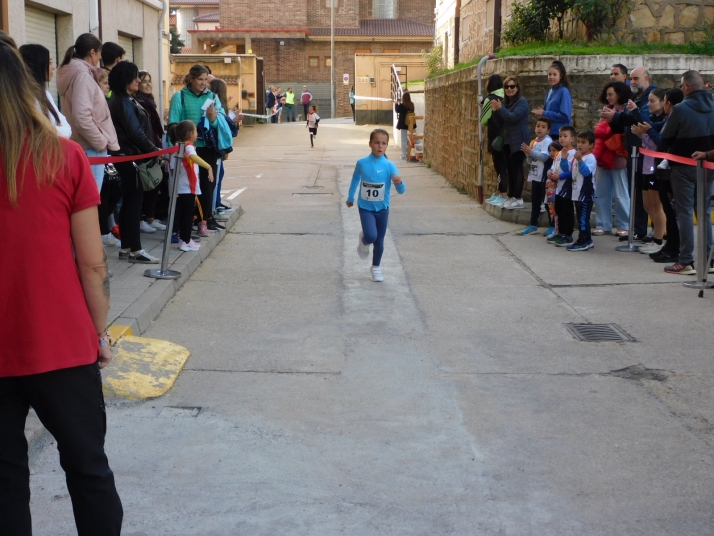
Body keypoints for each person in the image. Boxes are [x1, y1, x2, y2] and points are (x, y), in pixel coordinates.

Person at [0, 31, 123, 534]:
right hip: (63, 342)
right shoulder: (65, 157)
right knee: (88, 470)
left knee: (5, 481)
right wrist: (101, 333)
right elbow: (93, 265)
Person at [659, 70, 714, 275]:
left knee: (684, 212)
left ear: (687, 87)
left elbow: (666, 137)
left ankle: (685, 260)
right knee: (705, 213)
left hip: (683, 166)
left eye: (683, 85)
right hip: (709, 166)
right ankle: (710, 259)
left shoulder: (681, 109)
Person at [108, 61, 160, 263]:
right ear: (125, 78)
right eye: (135, 76)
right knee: (133, 203)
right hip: (130, 157)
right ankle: (136, 250)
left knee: (130, 202)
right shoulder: (122, 101)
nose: (139, 80)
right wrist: (154, 150)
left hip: (130, 156)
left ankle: (127, 247)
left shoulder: (124, 99)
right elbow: (135, 132)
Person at [168, 64, 228, 234]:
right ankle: (187, 223)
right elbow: (173, 122)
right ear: (191, 79)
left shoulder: (213, 97)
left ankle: (205, 220)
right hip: (187, 149)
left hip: (208, 147)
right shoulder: (180, 97)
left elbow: (221, 124)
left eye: (205, 79)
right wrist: (182, 140)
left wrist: (212, 118)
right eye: (200, 79)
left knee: (209, 185)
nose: (203, 83)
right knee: (188, 188)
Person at [57, 33, 120, 195]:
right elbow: (82, 116)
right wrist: (100, 142)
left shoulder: (78, 74)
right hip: (91, 147)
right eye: (99, 54)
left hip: (86, 145)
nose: (100, 58)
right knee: (90, 199)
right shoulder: (83, 76)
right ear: (92, 52)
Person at [601, 66, 655, 242]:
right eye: (631, 79)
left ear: (646, 79)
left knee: (650, 194)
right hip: (632, 151)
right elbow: (624, 123)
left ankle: (657, 233)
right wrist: (612, 119)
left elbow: (643, 121)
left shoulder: (651, 98)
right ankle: (639, 230)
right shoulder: (633, 98)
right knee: (636, 192)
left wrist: (620, 117)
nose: (632, 82)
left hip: (647, 152)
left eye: (636, 79)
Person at [346, 129, 406, 282]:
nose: (380, 146)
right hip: (365, 207)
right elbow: (355, 179)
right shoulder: (362, 163)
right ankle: (364, 240)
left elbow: (401, 190)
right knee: (371, 236)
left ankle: (376, 268)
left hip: (382, 209)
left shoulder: (389, 165)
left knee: (379, 241)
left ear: (386, 146)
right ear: (370, 144)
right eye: (377, 142)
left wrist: (399, 183)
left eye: (384, 143)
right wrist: (350, 197)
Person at [643, 88, 684, 264]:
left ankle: (673, 247)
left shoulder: (677, 117)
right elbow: (656, 131)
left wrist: (647, 131)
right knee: (665, 208)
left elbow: (661, 141)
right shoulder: (667, 119)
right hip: (663, 169)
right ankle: (669, 246)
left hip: (673, 169)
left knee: (673, 211)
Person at [630, 88, 667, 252]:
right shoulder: (652, 119)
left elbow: (656, 143)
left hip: (656, 166)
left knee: (656, 204)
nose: (649, 104)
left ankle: (659, 239)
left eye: (653, 101)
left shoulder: (664, 121)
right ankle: (657, 234)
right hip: (646, 165)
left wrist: (643, 135)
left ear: (663, 102)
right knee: (647, 204)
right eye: (649, 101)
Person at [592, 81, 632, 236]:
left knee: (621, 192)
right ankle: (603, 223)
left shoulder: (627, 111)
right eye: (607, 94)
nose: (608, 97)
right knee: (601, 191)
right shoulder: (607, 110)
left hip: (618, 154)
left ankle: (624, 224)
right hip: (604, 155)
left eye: (611, 94)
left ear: (619, 95)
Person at [168, 120, 214, 252]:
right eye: (196, 131)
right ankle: (185, 241)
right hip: (186, 187)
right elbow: (193, 157)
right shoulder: (187, 147)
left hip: (181, 186)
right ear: (190, 134)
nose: (197, 134)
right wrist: (208, 166)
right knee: (187, 215)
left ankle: (185, 238)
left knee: (185, 214)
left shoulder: (177, 146)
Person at [134, 70, 167, 234]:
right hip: (145, 149)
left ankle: (151, 218)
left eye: (149, 81)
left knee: (155, 183)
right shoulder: (138, 102)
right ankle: (143, 219)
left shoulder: (150, 102)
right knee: (146, 184)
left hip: (155, 146)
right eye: (144, 81)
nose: (148, 84)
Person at [490, 76, 530, 209]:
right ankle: (511, 196)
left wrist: (500, 109)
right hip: (507, 142)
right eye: (506, 87)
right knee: (510, 170)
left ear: (517, 88)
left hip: (518, 140)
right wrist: (496, 111)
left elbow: (513, 118)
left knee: (517, 169)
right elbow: (501, 123)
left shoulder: (522, 102)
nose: (509, 89)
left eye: (512, 86)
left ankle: (518, 198)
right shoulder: (506, 103)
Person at [19, 43, 72, 138]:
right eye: (49, 62)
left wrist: (53, 129)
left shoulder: (45, 94)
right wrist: (56, 128)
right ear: (37, 65)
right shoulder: (25, 98)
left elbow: (67, 128)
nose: (53, 67)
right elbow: (41, 131)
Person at [517, 117, 553, 235]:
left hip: (544, 175)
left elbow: (544, 157)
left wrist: (530, 152)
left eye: (543, 127)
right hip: (535, 175)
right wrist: (528, 154)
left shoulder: (547, 141)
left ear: (548, 130)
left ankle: (553, 225)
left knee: (547, 201)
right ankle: (533, 225)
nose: (540, 129)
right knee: (535, 201)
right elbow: (530, 161)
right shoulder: (534, 141)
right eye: (538, 126)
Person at [567, 131, 598, 251]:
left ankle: (582, 240)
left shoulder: (590, 158)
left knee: (583, 218)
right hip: (577, 192)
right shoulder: (577, 157)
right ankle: (588, 239)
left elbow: (586, 173)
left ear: (591, 145)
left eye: (583, 142)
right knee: (581, 217)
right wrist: (565, 160)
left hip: (585, 194)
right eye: (578, 142)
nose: (580, 145)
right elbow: (571, 171)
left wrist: (580, 161)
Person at [547, 126, 577, 246]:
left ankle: (568, 234)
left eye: (565, 136)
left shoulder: (574, 153)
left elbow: (573, 172)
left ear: (572, 139)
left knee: (567, 211)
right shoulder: (558, 154)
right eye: (560, 136)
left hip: (567, 188)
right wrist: (549, 172)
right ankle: (560, 232)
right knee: (558, 210)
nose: (562, 139)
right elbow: (554, 167)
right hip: (557, 188)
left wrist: (561, 176)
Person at [480, 74, 508, 206]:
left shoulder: (490, 99)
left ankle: (502, 192)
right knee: (507, 166)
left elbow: (483, 119)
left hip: (495, 137)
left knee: (499, 166)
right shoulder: (507, 97)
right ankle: (499, 192)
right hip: (508, 136)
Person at [532, 60, 573, 139]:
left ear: (560, 76)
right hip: (549, 134)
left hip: (560, 135)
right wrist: (541, 113)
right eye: (549, 74)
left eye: (554, 74)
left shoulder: (564, 92)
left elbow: (564, 116)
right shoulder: (550, 91)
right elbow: (546, 112)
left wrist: (545, 113)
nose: (551, 77)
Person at [544, 141, 563, 238]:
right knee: (553, 211)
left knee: (558, 211)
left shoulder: (560, 160)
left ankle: (558, 230)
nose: (551, 152)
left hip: (557, 190)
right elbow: (551, 170)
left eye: (554, 150)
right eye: (550, 150)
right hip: (551, 189)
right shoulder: (554, 161)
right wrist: (549, 172)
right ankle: (555, 229)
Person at [395, 92, 416, 160]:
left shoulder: (402, 105)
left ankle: (404, 154)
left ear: (403, 98)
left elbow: (397, 110)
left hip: (404, 125)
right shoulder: (412, 104)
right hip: (412, 124)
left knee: (404, 139)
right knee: (414, 138)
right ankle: (417, 151)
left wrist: (396, 104)